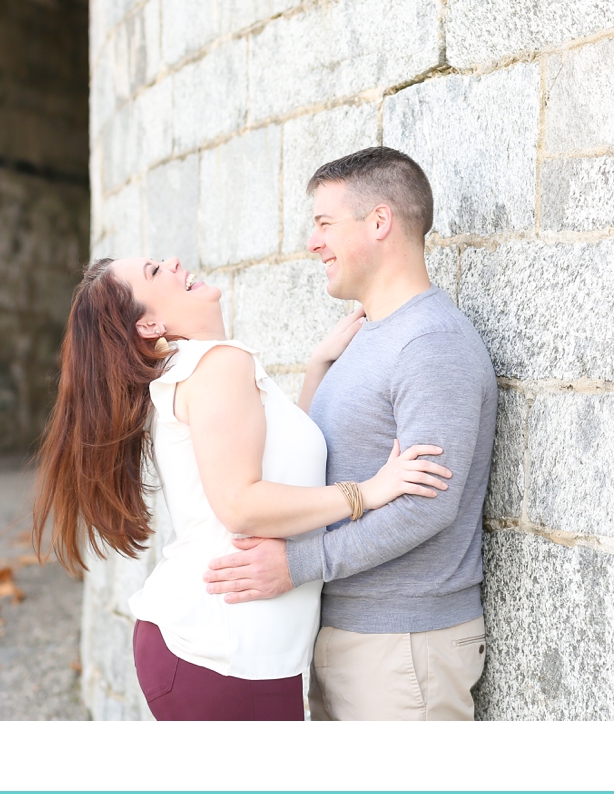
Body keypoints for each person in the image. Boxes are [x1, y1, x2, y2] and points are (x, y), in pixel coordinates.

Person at [31, 254, 453, 721]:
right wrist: (366, 493)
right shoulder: (217, 364)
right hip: (223, 653)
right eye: (154, 272)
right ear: (149, 324)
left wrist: (317, 367)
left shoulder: (202, 368)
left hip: (224, 648)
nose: (173, 262)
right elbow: (240, 503)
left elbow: (280, 468)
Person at [203, 147, 498, 721]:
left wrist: (296, 564)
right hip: (350, 635)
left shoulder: (431, 343)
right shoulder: (365, 337)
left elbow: (424, 508)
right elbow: (315, 459)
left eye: (324, 224)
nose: (313, 243)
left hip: (404, 646)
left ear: (380, 222)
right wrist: (317, 369)